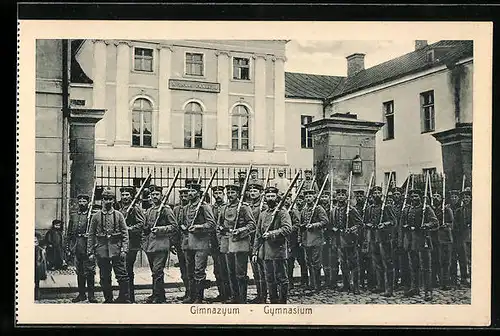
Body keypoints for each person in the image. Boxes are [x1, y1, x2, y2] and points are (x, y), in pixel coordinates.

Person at [87, 188, 131, 303]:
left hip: (117, 249)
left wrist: (124, 250)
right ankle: (108, 299)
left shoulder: (119, 215)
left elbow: (125, 234)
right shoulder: (96, 216)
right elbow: (91, 235)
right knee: (104, 277)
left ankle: (123, 297)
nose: (108, 201)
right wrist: (90, 252)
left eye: (110, 199)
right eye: (105, 199)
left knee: (122, 275)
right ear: (102, 200)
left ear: (113, 200)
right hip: (101, 250)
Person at [252, 186, 293, 304]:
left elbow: (287, 228)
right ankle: (274, 301)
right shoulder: (263, 214)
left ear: (277, 197)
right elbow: (258, 234)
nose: (270, 198)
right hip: (266, 251)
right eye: (268, 196)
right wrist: (255, 252)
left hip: (278, 250)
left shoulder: (282, 212)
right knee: (269, 278)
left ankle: (282, 301)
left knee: (281, 277)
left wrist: (272, 233)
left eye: (272, 196)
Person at [217, 184, 256, 304]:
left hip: (240, 243)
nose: (230, 195)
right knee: (230, 273)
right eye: (228, 193)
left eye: (232, 192)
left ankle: (242, 299)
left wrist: (240, 230)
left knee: (240, 273)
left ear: (238, 194)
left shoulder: (244, 207)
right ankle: (235, 297)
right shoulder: (224, 208)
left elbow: (252, 225)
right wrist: (222, 232)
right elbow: (219, 225)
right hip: (227, 243)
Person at [399, 188, 439, 301]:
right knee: (413, 266)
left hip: (423, 241)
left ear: (420, 197)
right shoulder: (407, 209)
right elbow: (402, 225)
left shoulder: (426, 208)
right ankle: (415, 288)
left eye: (416, 196)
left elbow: (435, 222)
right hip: (411, 242)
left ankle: (428, 291)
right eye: (412, 196)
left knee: (426, 268)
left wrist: (426, 225)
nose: (414, 198)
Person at [181, 183, 217, 304]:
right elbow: (182, 223)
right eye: (188, 191)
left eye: (193, 191)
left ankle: (198, 297)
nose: (190, 193)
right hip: (188, 243)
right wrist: (184, 227)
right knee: (189, 270)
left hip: (201, 243)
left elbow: (212, 224)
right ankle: (191, 296)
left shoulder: (204, 207)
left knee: (199, 271)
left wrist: (198, 227)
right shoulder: (186, 207)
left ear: (198, 193)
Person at [142, 185, 178, 304]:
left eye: (157, 194)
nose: (154, 197)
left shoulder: (166, 210)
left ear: (161, 196)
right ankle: (157, 294)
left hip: (161, 244)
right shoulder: (149, 210)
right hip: (150, 245)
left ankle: (158, 295)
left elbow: (174, 226)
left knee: (157, 270)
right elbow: (146, 227)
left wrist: (160, 229)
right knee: (154, 271)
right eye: (153, 195)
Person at [364, 186, 397, 297]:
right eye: (375, 193)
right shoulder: (370, 208)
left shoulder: (387, 207)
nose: (377, 195)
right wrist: (368, 225)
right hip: (373, 238)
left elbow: (393, 221)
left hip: (384, 238)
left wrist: (385, 224)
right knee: (377, 263)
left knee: (387, 263)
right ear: (372, 195)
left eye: (379, 193)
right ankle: (380, 285)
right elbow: (366, 222)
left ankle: (389, 288)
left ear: (381, 194)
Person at [66, 194, 98, 303]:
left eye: (84, 201)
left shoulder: (92, 216)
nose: (82, 203)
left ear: (87, 203)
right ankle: (81, 294)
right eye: (80, 201)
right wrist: (69, 247)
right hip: (77, 246)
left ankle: (91, 295)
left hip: (88, 247)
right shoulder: (74, 216)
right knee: (79, 272)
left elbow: (96, 232)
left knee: (89, 271)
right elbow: (69, 233)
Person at [332, 188, 363, 294]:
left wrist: (351, 229)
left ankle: (356, 286)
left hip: (350, 240)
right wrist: (334, 228)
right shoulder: (334, 210)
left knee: (353, 264)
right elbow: (331, 224)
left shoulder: (351, 210)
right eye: (338, 195)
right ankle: (346, 285)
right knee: (343, 263)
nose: (340, 197)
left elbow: (360, 224)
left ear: (346, 197)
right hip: (339, 240)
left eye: (342, 195)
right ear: (336, 197)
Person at [117, 186, 145, 303]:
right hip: (120, 243)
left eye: (127, 195)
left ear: (131, 196)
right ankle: (122, 295)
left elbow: (141, 223)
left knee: (128, 270)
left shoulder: (135, 208)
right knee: (121, 270)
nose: (124, 197)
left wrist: (129, 229)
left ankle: (130, 296)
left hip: (132, 243)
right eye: (123, 195)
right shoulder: (119, 208)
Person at [299, 189, 328, 292]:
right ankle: (311, 283)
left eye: (310, 196)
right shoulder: (304, 210)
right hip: (306, 239)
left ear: (314, 197)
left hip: (316, 238)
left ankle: (317, 285)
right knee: (308, 262)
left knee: (316, 262)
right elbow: (301, 225)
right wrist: (300, 237)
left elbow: (325, 221)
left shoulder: (319, 209)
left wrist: (314, 225)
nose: (308, 198)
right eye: (306, 197)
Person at [208, 185, 230, 303]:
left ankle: (229, 293)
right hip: (214, 242)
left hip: (225, 241)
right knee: (217, 270)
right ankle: (222, 293)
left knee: (227, 269)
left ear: (224, 194)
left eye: (220, 193)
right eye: (215, 193)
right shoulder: (211, 208)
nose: (218, 195)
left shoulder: (227, 207)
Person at [247, 182, 268, 303]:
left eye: (255, 191)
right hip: (250, 240)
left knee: (262, 269)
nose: (252, 193)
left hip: (261, 241)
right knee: (255, 269)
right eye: (251, 191)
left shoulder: (264, 207)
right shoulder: (248, 206)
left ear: (260, 193)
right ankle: (259, 294)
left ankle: (264, 295)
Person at [431, 192, 454, 291]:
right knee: (435, 260)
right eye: (434, 196)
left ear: (441, 198)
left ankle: (445, 282)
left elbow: (452, 223)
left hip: (445, 239)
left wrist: (447, 225)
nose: (436, 198)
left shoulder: (446, 210)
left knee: (445, 261)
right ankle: (434, 281)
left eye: (438, 196)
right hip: (434, 239)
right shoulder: (431, 210)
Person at [354, 189, 374, 291]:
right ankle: (360, 283)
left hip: (368, 235)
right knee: (359, 261)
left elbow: (371, 221)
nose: (359, 198)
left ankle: (371, 283)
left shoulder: (369, 208)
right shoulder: (354, 209)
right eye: (357, 197)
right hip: (358, 236)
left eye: (361, 196)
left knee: (370, 260)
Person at [173, 187, 190, 301]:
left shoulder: (192, 209)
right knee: (183, 269)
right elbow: (174, 226)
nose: (184, 197)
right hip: (179, 243)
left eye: (186, 195)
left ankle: (192, 293)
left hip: (190, 243)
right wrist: (173, 243)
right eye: (181, 196)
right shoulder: (176, 209)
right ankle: (187, 291)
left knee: (191, 269)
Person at [283, 193, 303, 290]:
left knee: (297, 261)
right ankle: (288, 281)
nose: (286, 201)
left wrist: (289, 229)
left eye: (288, 199)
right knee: (286, 262)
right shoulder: (282, 211)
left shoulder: (293, 211)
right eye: (284, 199)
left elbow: (297, 224)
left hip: (293, 239)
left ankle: (303, 280)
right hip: (284, 239)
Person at [319, 190, 337, 290]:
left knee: (333, 260)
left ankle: (333, 281)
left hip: (332, 237)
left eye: (326, 197)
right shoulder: (318, 209)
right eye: (322, 197)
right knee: (324, 260)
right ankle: (326, 280)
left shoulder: (333, 209)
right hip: (322, 237)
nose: (324, 199)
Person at [454, 188, 472, 287]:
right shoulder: (459, 211)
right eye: (464, 197)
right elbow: (455, 224)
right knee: (463, 258)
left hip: (472, 236)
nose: (465, 199)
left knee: (471, 258)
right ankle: (464, 278)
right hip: (462, 237)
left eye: (467, 197)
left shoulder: (474, 209)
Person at [448, 189, 463, 288]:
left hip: (459, 235)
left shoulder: (461, 209)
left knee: (461, 256)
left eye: (455, 197)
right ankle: (453, 277)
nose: (453, 199)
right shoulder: (448, 208)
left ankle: (463, 277)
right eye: (452, 197)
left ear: (458, 198)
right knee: (452, 256)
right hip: (450, 235)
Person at [35, 232, 47, 301]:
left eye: (36, 242)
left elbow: (43, 260)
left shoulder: (40, 250)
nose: (34, 243)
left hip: (37, 268)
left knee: (37, 282)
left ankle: (37, 293)